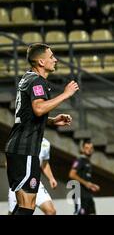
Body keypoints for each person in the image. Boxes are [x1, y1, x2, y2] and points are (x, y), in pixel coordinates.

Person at [4, 43, 79, 215]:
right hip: (25, 149)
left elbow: (28, 114)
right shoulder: (38, 81)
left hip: (17, 149)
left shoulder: (27, 78)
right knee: (27, 207)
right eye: (51, 56)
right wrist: (66, 94)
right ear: (41, 62)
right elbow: (38, 109)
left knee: (23, 206)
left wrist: (52, 121)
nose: (55, 59)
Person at [8, 138, 57, 215]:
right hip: (20, 181)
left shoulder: (46, 143)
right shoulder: (22, 139)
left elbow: (44, 164)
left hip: (35, 182)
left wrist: (51, 178)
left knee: (51, 211)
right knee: (15, 212)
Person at [69, 140, 100, 215]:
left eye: (91, 148)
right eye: (86, 148)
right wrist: (86, 184)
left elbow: (86, 179)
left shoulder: (88, 162)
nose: (89, 150)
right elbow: (72, 174)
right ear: (82, 149)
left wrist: (92, 185)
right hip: (79, 194)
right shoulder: (80, 160)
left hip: (87, 195)